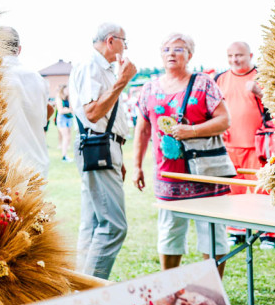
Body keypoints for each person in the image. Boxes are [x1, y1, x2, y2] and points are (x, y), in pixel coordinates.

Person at [133, 33, 232, 276]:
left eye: (178, 49)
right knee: (169, 234)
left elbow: (224, 120)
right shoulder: (149, 88)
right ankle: (170, 289)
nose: (171, 54)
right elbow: (143, 129)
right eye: (166, 49)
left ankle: (213, 291)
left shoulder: (203, 83)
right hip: (169, 176)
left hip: (206, 175)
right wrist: (137, 166)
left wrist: (192, 131)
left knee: (212, 235)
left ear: (189, 55)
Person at [68, 22, 136, 279]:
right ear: (111, 40)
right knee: (114, 226)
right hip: (97, 143)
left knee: (94, 223)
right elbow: (93, 112)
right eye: (124, 41)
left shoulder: (100, 67)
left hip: (105, 145)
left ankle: (81, 285)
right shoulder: (91, 66)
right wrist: (122, 81)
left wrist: (117, 152)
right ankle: (91, 290)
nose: (126, 47)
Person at [0, 27, 50, 177]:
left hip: (8, 166)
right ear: (19, 49)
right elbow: (45, 117)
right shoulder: (39, 79)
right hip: (38, 164)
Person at [215, 42, 264, 184]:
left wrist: (260, 93)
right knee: (232, 195)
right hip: (228, 147)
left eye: (239, 55)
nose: (234, 60)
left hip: (257, 148)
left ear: (251, 56)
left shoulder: (262, 77)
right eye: (230, 56)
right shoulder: (220, 79)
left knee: (261, 193)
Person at [55, 85, 73, 162]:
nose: (68, 91)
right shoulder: (58, 98)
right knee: (65, 137)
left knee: (68, 137)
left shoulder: (69, 98)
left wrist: (67, 109)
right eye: (66, 90)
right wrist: (68, 110)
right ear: (63, 90)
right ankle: (64, 156)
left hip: (69, 118)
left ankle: (66, 155)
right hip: (62, 119)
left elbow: (72, 109)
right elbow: (60, 111)